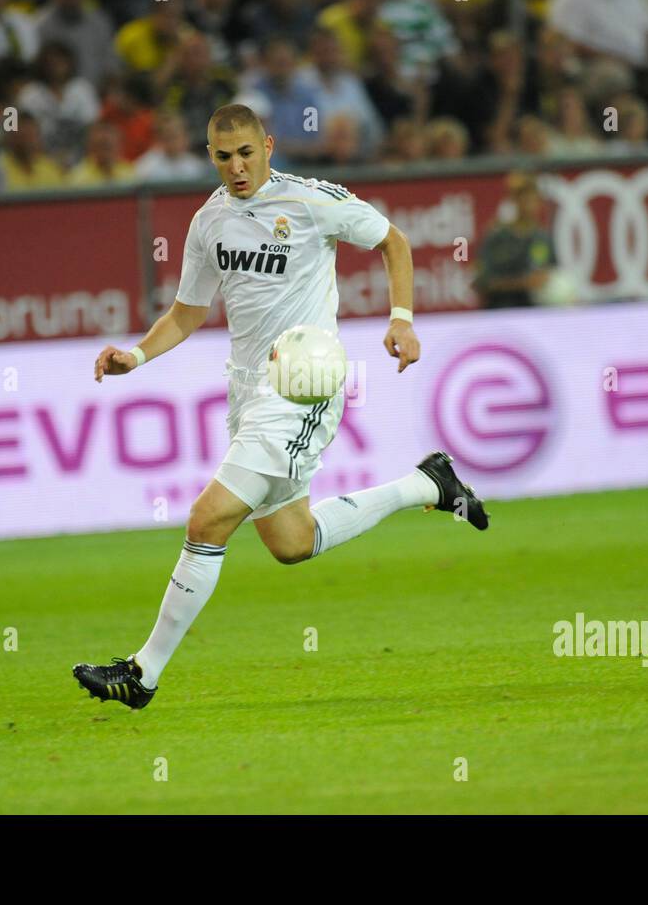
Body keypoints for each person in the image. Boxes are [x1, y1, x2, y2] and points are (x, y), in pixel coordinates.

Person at [73, 103, 489, 709]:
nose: (237, 167)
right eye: (223, 157)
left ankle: (143, 672)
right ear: (210, 157)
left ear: (268, 146)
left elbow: (393, 241)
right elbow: (188, 313)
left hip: (302, 384)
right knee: (292, 543)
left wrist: (402, 321)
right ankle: (428, 484)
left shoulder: (311, 200)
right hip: (247, 390)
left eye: (246, 153)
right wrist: (134, 358)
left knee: (206, 521)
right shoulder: (208, 221)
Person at [475, 171, 558, 309]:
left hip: (534, 315)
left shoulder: (543, 238)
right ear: (514, 201)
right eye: (524, 199)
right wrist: (522, 283)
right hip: (501, 311)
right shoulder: (497, 236)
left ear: (540, 203)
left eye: (533, 199)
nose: (529, 205)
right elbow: (481, 282)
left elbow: (552, 275)